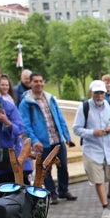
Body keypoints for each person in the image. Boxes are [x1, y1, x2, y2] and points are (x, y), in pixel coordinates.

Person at [19, 72, 77, 203]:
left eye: (41, 81)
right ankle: (52, 193)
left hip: (57, 139)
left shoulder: (50, 98)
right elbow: (26, 124)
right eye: (35, 81)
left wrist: (66, 136)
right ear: (30, 83)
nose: (39, 84)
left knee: (63, 166)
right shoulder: (26, 103)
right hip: (42, 141)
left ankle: (63, 190)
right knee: (45, 169)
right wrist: (34, 140)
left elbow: (60, 117)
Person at [73, 79, 110, 218]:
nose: (99, 96)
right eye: (96, 93)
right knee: (98, 180)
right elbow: (76, 128)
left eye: (102, 93)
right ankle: (105, 206)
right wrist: (92, 132)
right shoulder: (84, 108)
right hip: (92, 150)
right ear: (91, 93)